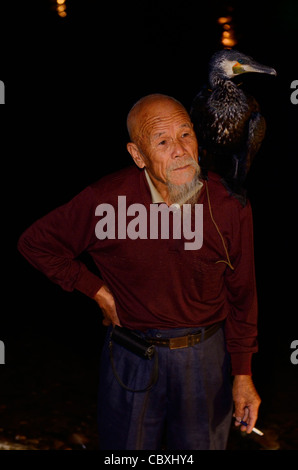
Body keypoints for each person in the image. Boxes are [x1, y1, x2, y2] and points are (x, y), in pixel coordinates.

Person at [17, 94, 261, 450]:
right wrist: (95, 290)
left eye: (185, 135)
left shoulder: (227, 204)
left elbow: (243, 294)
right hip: (132, 353)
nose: (180, 150)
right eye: (162, 141)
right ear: (137, 155)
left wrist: (243, 374)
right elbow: (36, 243)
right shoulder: (106, 201)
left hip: (205, 354)